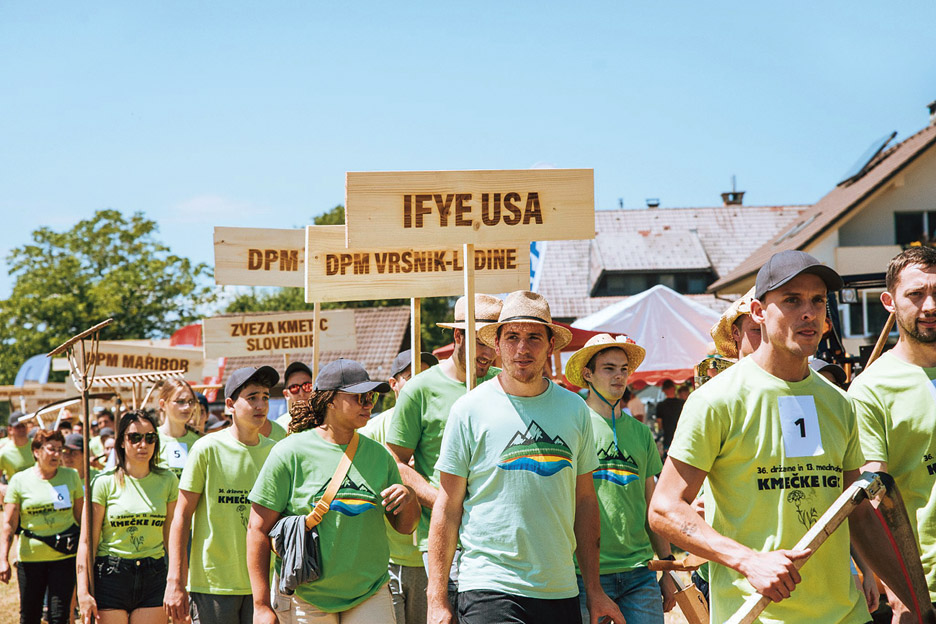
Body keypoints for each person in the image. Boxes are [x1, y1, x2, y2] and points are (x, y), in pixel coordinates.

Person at [648, 250, 870, 623]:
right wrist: (748, 560)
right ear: (757, 312)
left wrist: (903, 592)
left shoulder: (839, 403)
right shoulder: (715, 401)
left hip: (847, 614)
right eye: (792, 300)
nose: (809, 313)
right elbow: (664, 509)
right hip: (757, 615)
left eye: (818, 301)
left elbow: (857, 512)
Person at [428, 290, 624, 624]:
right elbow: (447, 508)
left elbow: (587, 502)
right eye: (513, 337)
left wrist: (594, 590)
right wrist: (436, 599)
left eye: (534, 337)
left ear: (550, 345)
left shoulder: (574, 409)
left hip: (559, 589)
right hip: (488, 586)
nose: (522, 348)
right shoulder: (468, 410)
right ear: (498, 344)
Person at [247, 358, 419, 624]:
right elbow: (257, 529)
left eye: (371, 396)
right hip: (306, 596)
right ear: (329, 400)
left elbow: (405, 527)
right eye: (360, 397)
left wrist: (408, 498)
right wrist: (260, 605)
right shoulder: (289, 452)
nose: (369, 404)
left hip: (370, 591)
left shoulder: (380, 455)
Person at [385, 293, 503, 605]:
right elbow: (394, 460)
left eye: (495, 341)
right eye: (482, 341)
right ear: (457, 335)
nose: (489, 352)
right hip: (445, 536)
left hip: (497, 534)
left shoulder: (502, 385)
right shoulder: (418, 390)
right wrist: (441, 501)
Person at [564, 334, 677, 623]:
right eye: (609, 368)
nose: (619, 375)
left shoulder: (640, 432)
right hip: (583, 573)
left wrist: (666, 567)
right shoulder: (571, 426)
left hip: (640, 572)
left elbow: (652, 501)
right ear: (587, 374)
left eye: (624, 368)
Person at [848, 246, 936, 617]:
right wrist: (898, 586)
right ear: (889, 301)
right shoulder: (871, 389)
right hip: (926, 586)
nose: (930, 306)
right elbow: (871, 498)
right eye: (916, 295)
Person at [165, 366, 279, 624]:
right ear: (230, 404)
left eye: (265, 397)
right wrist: (175, 581)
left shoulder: (277, 452)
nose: (260, 405)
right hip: (212, 585)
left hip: (264, 585)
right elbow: (181, 518)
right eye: (252, 398)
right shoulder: (206, 448)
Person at [77, 410, 179, 624]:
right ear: (122, 442)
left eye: (150, 438)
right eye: (135, 437)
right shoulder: (103, 482)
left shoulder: (168, 480)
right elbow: (87, 543)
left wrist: (177, 581)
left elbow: (172, 539)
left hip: (154, 574)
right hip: (112, 575)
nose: (143, 444)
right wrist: (83, 592)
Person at [360, 349, 438, 624]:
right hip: (386, 559)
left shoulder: (443, 425)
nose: (419, 384)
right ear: (393, 384)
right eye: (410, 377)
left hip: (432, 557)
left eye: (426, 377)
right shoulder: (371, 430)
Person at [0, 430, 83, 624]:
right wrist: (3, 558)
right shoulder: (20, 481)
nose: (57, 454)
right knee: (30, 615)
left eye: (59, 450)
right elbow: (9, 524)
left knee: (59, 615)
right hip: (31, 559)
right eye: (51, 449)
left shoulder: (71, 476)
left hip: (64, 557)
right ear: (36, 451)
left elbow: (80, 518)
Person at [156, 379, 202, 479]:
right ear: (163, 404)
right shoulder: (150, 438)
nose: (187, 407)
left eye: (191, 402)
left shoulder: (199, 442)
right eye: (180, 401)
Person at [0, 411, 36, 498]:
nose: (21, 429)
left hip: (38, 492)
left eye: (23, 426)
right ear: (10, 429)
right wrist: (1, 487)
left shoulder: (36, 446)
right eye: (18, 427)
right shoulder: (4, 453)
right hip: (18, 497)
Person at [275, 361, 315, 431]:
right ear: (286, 394)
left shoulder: (326, 422)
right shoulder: (280, 426)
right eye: (294, 388)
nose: (301, 393)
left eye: (307, 386)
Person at [654, 380, 683, 452]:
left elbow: (659, 424)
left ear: (663, 390)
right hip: (681, 438)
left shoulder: (660, 405)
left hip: (668, 439)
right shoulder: (682, 403)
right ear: (674, 388)